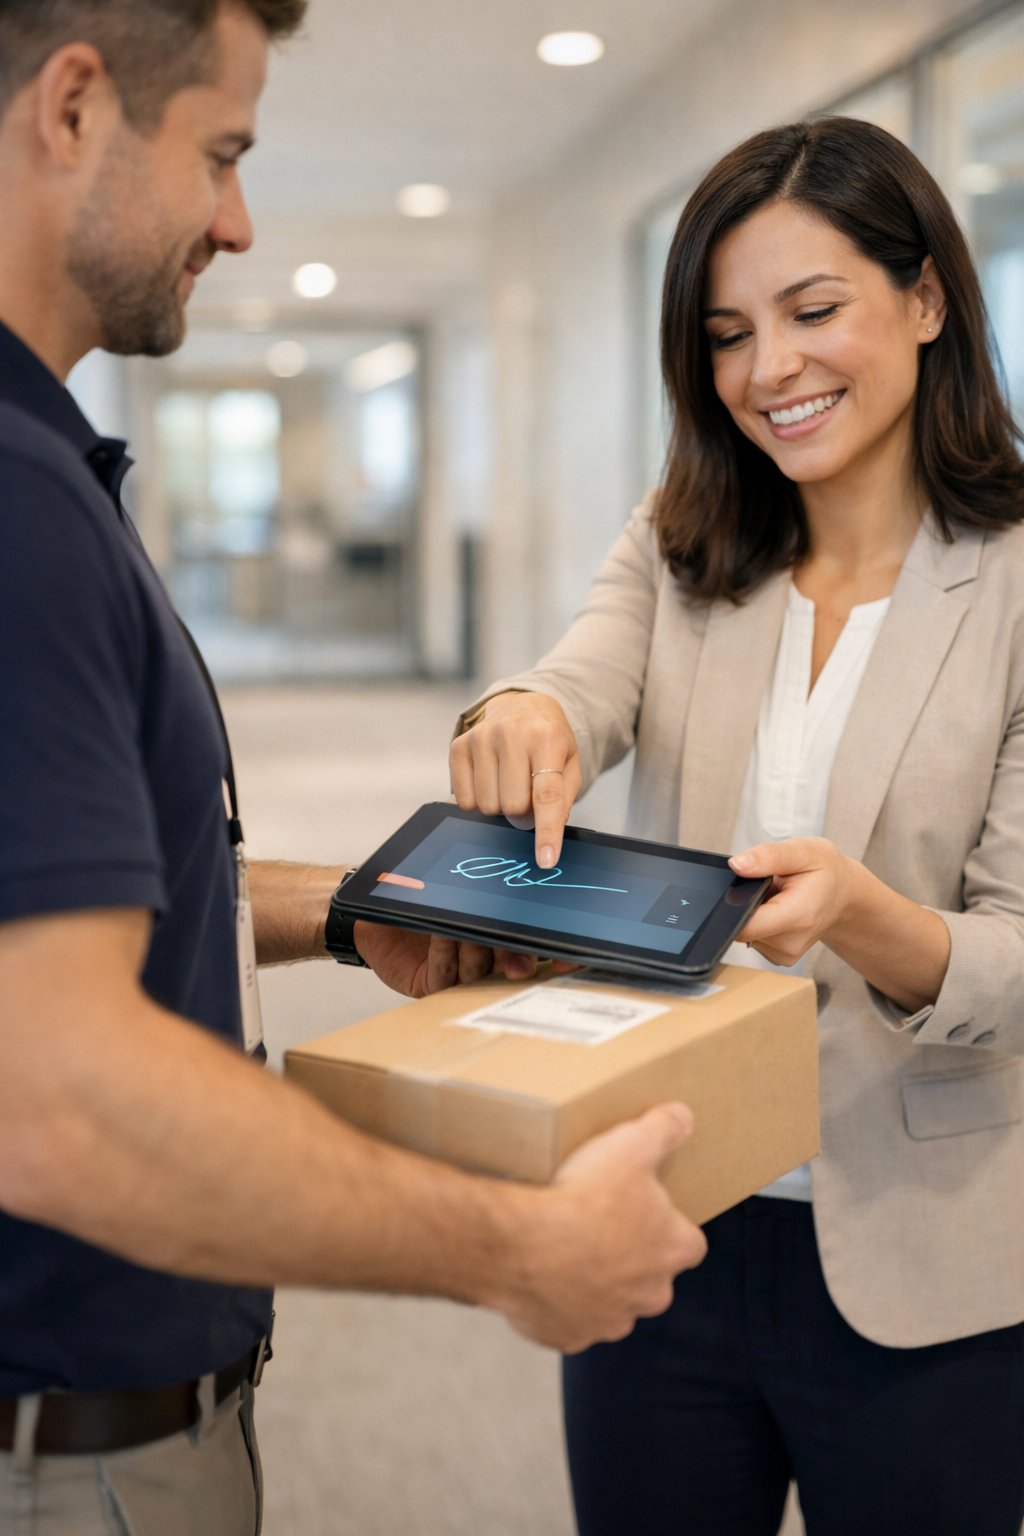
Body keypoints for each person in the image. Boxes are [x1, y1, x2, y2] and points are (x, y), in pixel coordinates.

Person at [0, 2, 709, 1530]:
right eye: (222, 154)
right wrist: (517, 1249)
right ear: (70, 110)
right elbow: (55, 1096)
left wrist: (338, 908)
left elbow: (62, 898)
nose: (238, 222)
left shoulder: (45, 473)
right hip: (65, 1448)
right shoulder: (18, 508)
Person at [450, 117, 1024, 1536]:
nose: (770, 370)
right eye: (726, 332)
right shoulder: (680, 539)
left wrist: (862, 913)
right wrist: (521, 715)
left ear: (928, 298)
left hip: (928, 1260)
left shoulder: (1013, 583)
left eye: (813, 310)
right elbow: (577, 678)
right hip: (666, 1215)